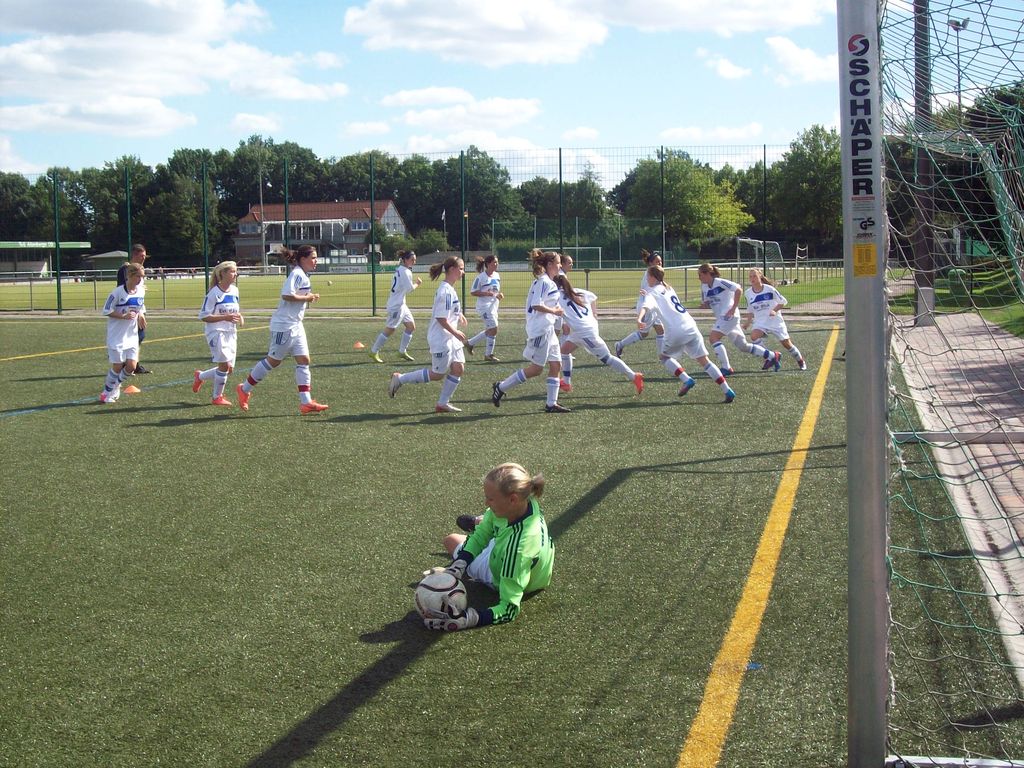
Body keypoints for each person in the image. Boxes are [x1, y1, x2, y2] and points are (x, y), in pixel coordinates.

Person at [424, 462, 554, 631]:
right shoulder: (525, 498)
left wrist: (468, 618)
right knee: (486, 527)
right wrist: (459, 564)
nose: (486, 502)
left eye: (491, 499)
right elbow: (480, 537)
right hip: (515, 551)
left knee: (451, 540)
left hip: (509, 572)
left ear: (512, 499)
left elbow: (509, 609)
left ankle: (480, 522)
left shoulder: (518, 551)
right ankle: (481, 522)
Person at [236, 245, 329, 414]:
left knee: (304, 360)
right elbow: (286, 294)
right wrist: (308, 297)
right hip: (284, 325)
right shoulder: (297, 274)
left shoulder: (303, 275)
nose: (316, 261)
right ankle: (244, 389)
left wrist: (308, 298)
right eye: (313, 257)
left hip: (295, 325)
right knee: (274, 361)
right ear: (303, 259)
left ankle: (306, 402)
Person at [638, 265, 736, 403]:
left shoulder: (651, 292)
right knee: (705, 362)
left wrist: (639, 318)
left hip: (676, 330)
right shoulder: (669, 288)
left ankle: (686, 379)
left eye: (648, 275)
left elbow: (646, 307)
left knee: (664, 357)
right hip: (691, 326)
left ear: (653, 277)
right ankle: (727, 390)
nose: (647, 278)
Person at [490, 249, 569, 413]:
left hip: (548, 329)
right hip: (540, 329)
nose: (560, 265)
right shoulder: (544, 282)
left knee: (556, 364)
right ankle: (501, 386)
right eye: (558, 262)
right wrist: (554, 311)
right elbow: (536, 304)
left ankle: (551, 404)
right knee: (536, 369)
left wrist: (556, 312)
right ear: (549, 265)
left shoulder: (549, 281)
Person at [387, 256, 469, 413]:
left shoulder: (450, 289)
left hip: (450, 339)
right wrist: (456, 332)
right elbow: (440, 318)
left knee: (458, 368)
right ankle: (400, 378)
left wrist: (459, 315)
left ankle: (442, 403)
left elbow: (450, 310)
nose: (463, 272)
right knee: (437, 374)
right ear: (451, 269)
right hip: (441, 338)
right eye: (461, 268)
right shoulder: (445, 291)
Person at [554, 273, 644, 395]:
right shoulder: (577, 291)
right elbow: (593, 297)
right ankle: (566, 382)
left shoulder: (556, 297)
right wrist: (594, 315)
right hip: (584, 328)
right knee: (564, 351)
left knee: (607, 358)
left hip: (585, 332)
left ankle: (634, 376)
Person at [698, 262, 781, 374]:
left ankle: (726, 367)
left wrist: (733, 308)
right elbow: (710, 301)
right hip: (724, 318)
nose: (699, 278)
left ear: (708, 274)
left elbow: (738, 289)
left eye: (700, 275)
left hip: (729, 316)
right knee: (743, 346)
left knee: (713, 338)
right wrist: (705, 305)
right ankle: (772, 355)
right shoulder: (704, 287)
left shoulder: (720, 282)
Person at [193, 261, 243, 407]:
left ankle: (200, 376)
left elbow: (233, 310)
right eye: (233, 271)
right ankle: (217, 397)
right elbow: (203, 316)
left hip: (231, 332)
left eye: (236, 271)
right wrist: (224, 318)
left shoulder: (235, 290)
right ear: (223, 274)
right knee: (224, 365)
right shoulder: (213, 293)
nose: (236, 274)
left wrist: (239, 316)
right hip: (216, 332)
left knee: (229, 369)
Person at [98, 262, 145, 403]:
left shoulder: (140, 291)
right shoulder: (117, 292)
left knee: (131, 366)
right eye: (138, 277)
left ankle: (115, 386)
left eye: (142, 277)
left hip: (131, 335)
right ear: (130, 276)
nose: (140, 280)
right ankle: (106, 392)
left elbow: (140, 306)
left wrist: (141, 314)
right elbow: (106, 310)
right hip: (116, 336)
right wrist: (123, 316)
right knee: (118, 366)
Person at [743, 268, 806, 370]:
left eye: (754, 276)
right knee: (754, 336)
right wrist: (747, 322)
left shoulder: (769, 289)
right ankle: (771, 357)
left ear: (760, 276)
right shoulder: (748, 293)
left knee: (787, 344)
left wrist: (774, 310)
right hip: (761, 322)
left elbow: (782, 301)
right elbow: (750, 309)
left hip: (775, 321)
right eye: (750, 276)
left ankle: (800, 361)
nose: (752, 278)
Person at [369, 249, 422, 363]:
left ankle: (402, 351)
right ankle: (374, 351)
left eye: (415, 260)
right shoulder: (406, 272)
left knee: (411, 326)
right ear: (405, 260)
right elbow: (409, 289)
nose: (414, 262)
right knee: (390, 329)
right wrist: (417, 283)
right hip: (396, 306)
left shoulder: (400, 269)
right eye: (412, 260)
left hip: (401, 304)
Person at [614, 249, 666, 359]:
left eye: (660, 261)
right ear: (651, 263)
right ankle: (620, 345)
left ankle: (663, 356)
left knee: (661, 330)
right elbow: (649, 294)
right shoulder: (650, 275)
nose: (660, 263)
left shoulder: (655, 273)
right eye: (657, 262)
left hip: (653, 307)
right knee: (643, 334)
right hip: (646, 308)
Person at [116, 243, 152, 374]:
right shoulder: (125, 269)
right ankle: (126, 363)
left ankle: (132, 363)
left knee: (139, 335)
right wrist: (136, 312)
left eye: (145, 256)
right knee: (136, 335)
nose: (144, 258)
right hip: (129, 308)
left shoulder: (139, 269)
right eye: (141, 255)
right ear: (134, 255)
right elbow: (124, 290)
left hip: (138, 306)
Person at [465, 254, 503, 362]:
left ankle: (470, 343)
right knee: (494, 329)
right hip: (484, 307)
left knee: (491, 330)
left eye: (497, 262)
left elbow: (494, 291)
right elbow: (473, 292)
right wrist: (488, 294)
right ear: (487, 264)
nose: (496, 264)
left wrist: (498, 294)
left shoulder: (497, 275)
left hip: (493, 306)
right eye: (494, 262)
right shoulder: (481, 277)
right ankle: (488, 355)